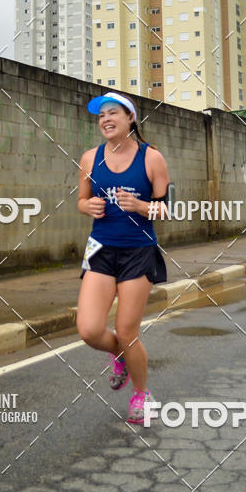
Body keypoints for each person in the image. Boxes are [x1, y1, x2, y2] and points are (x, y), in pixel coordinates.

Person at [76, 91, 170, 424]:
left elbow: (166, 208)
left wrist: (143, 207)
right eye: (101, 116)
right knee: (88, 329)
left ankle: (141, 395)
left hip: (138, 251)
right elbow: (81, 201)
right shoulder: (90, 158)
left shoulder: (151, 159)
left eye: (112, 113)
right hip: (101, 248)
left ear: (130, 117)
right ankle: (119, 356)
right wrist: (88, 206)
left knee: (127, 329)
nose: (105, 120)